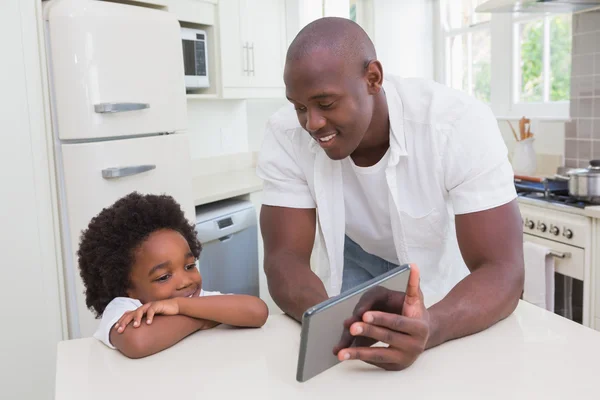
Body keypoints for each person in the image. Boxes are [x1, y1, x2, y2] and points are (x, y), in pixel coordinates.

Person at [257, 17, 524, 370]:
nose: (312, 123)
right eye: (300, 107)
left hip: (438, 269)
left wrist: (432, 327)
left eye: (326, 103)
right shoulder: (285, 133)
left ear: (373, 79)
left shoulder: (456, 124)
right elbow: (283, 258)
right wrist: (331, 326)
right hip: (355, 250)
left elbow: (503, 270)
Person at [77, 192, 269, 359]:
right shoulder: (124, 307)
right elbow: (139, 342)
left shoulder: (189, 300)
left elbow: (257, 311)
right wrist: (206, 318)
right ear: (127, 288)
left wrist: (179, 306)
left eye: (189, 266)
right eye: (163, 277)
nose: (185, 282)